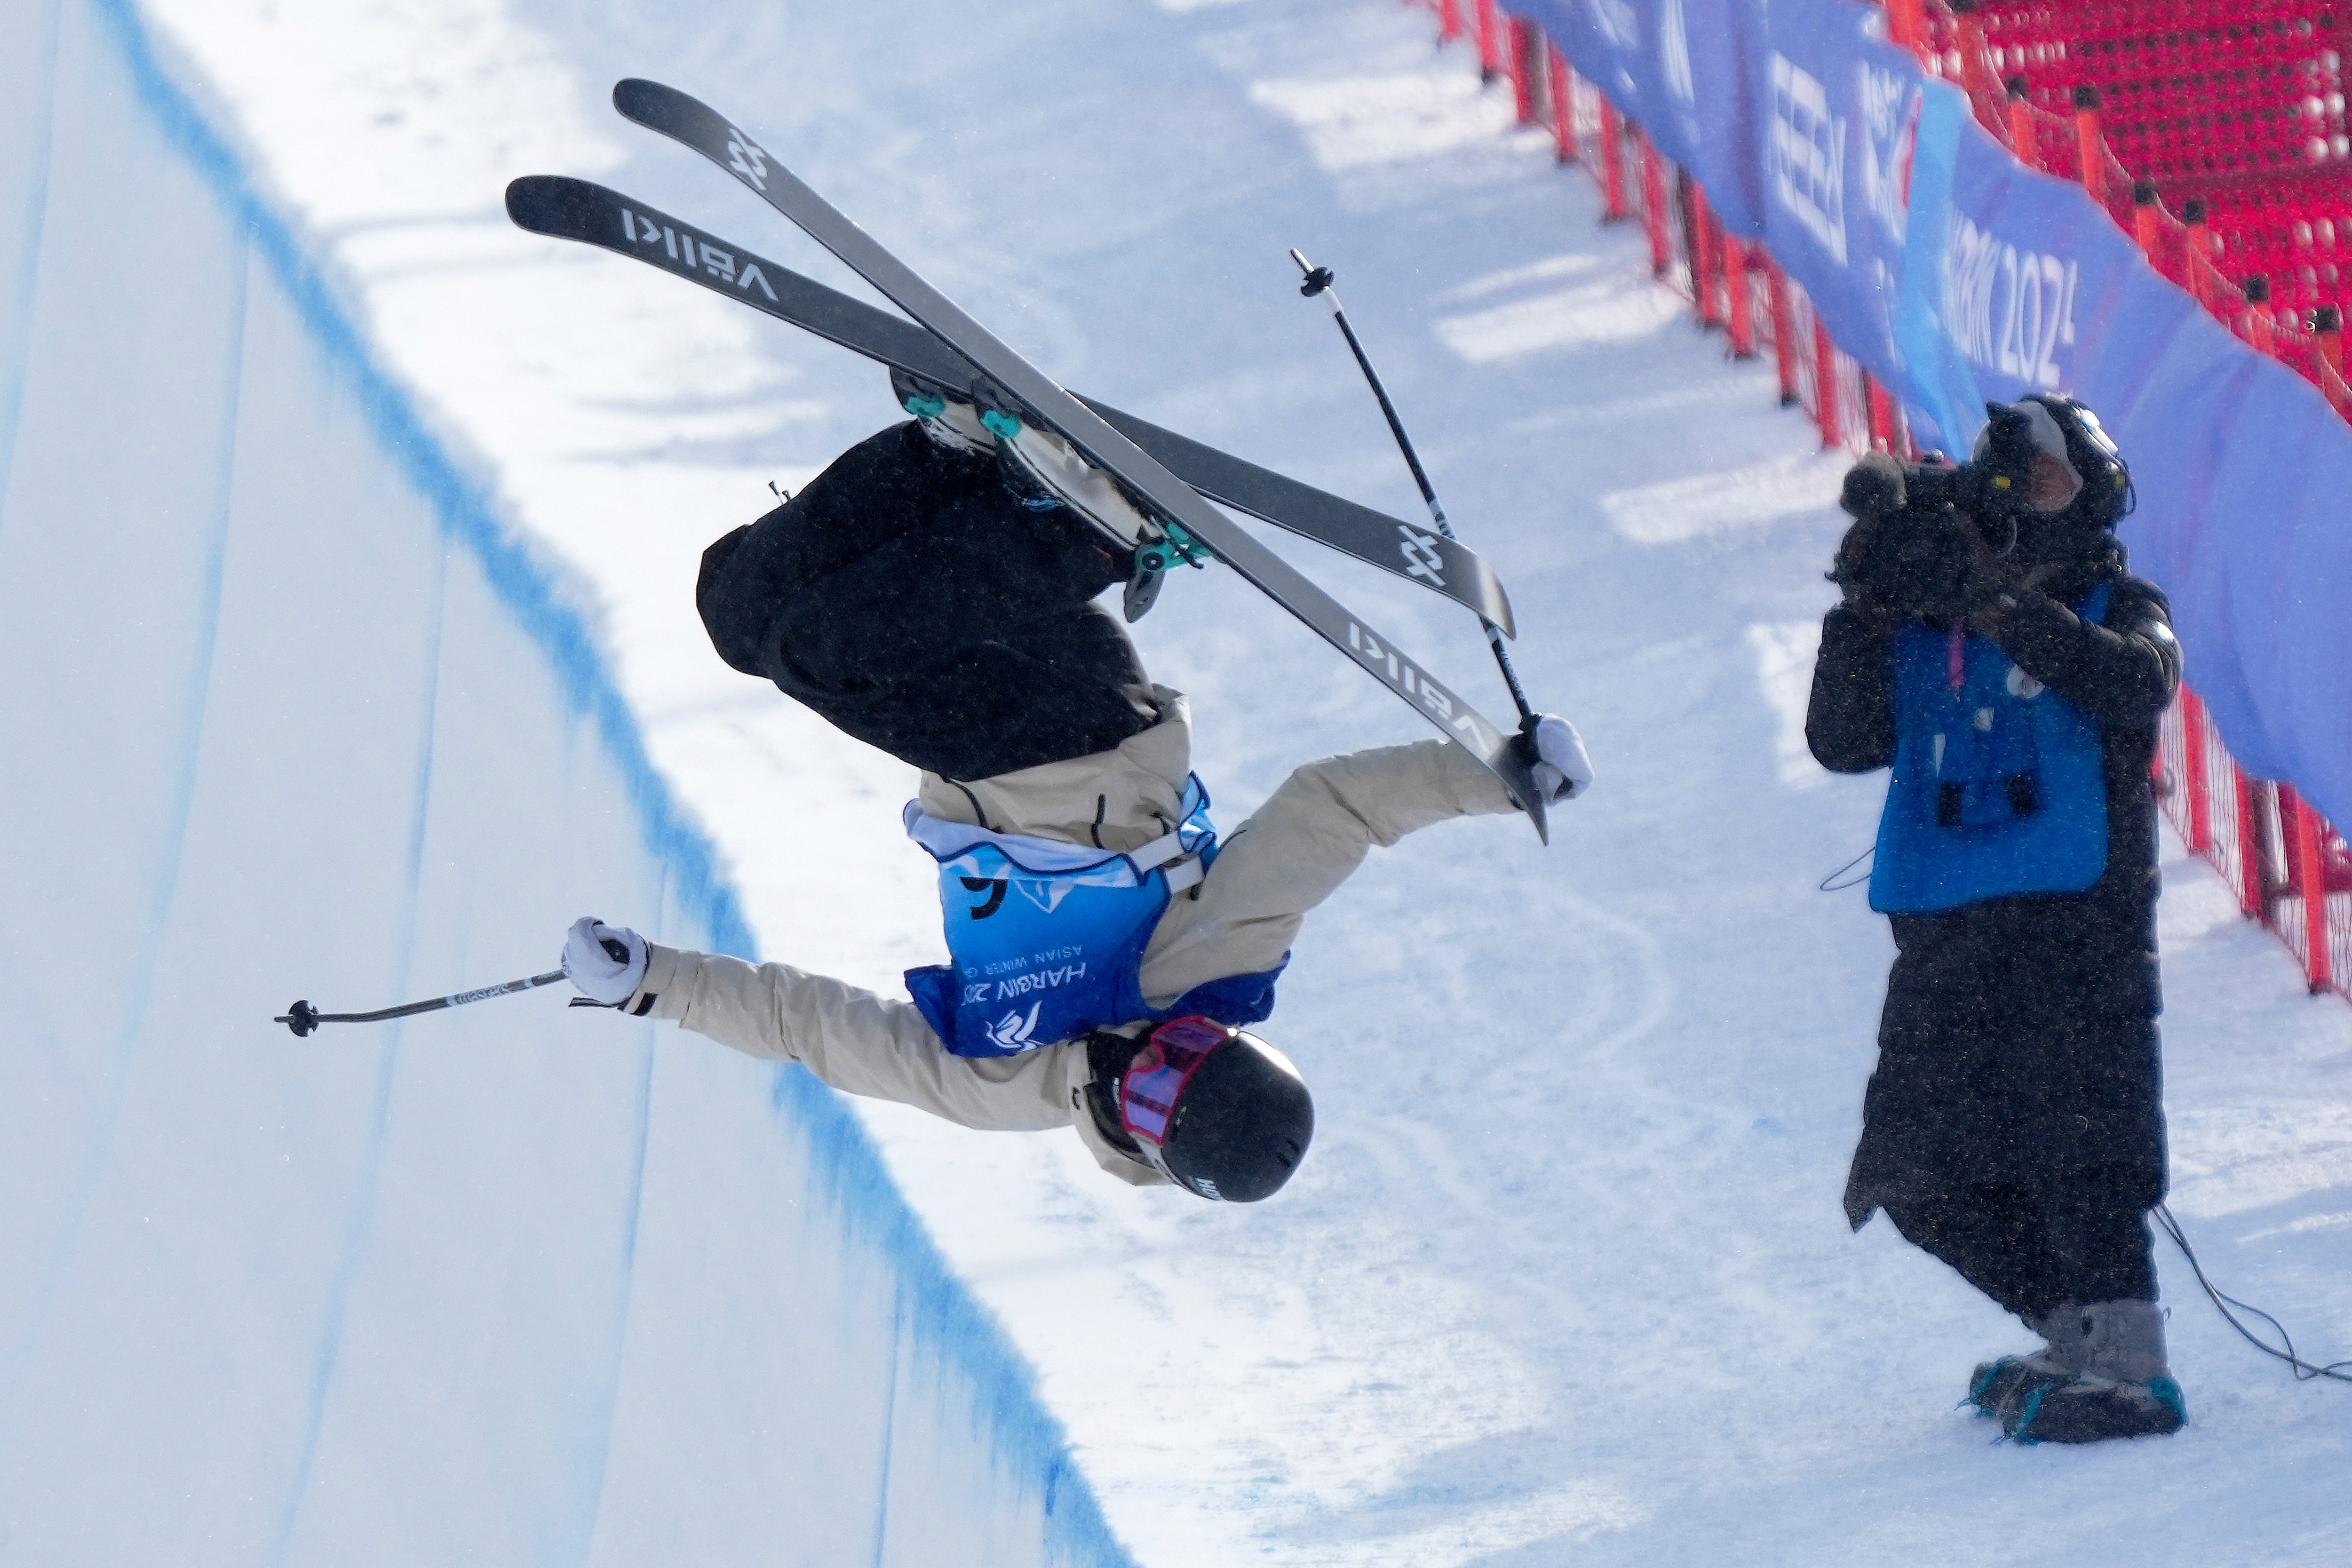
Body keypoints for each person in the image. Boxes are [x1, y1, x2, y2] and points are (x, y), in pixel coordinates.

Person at [563, 375, 1593, 1203]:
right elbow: (1335, 808)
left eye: (1151, 1082)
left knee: (743, 608)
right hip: (1083, 728)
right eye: (1188, 1045)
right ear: (1220, 1033)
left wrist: (656, 981)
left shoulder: (995, 1078)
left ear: (1141, 1132)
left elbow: (813, 1027)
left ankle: (959, 461)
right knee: (828, 656)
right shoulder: (1209, 967)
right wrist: (1499, 776)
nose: (1145, 1047)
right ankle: (1098, 535)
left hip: (991, 721)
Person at [1806, 394, 2186, 1445]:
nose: (2041, 504)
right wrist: (1866, 602)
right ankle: (2072, 1330)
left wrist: (2002, 605)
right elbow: (1841, 740)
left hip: (2081, 931)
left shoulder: (2123, 600)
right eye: (2023, 484)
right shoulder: (1926, 618)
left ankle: (2130, 1363)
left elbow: (2132, 681)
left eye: (2062, 483)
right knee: (1916, 1167)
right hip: (1948, 929)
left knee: (2081, 1151)